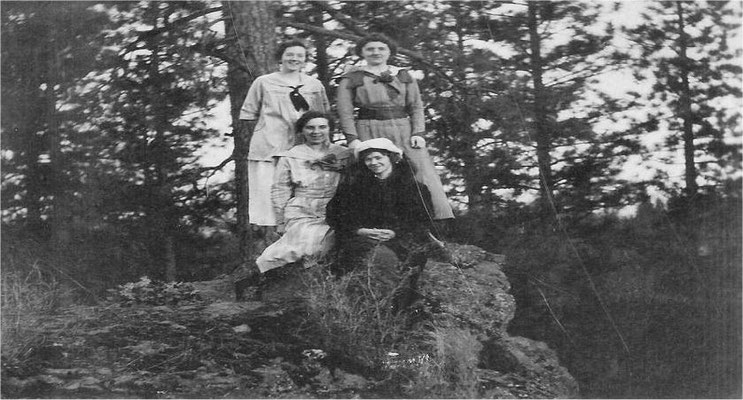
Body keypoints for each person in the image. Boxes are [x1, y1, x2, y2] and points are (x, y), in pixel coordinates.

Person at [336, 33, 454, 221]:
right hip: (368, 127)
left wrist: (418, 132)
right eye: (370, 49)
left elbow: (416, 106)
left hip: (403, 129)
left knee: (419, 170)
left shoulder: (403, 75)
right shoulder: (352, 77)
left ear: (390, 51)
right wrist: (352, 138)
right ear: (362, 52)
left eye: (381, 48)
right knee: (373, 169)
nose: (376, 52)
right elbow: (345, 111)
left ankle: (432, 220)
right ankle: (375, 220)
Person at [235, 112, 350, 300]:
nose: (316, 132)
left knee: (333, 240)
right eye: (310, 127)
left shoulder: (343, 154)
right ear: (302, 131)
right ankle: (253, 278)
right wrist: (281, 220)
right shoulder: (292, 156)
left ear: (330, 129)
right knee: (300, 244)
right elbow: (280, 189)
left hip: (335, 208)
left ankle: (325, 288)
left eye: (322, 127)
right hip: (303, 208)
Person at [325, 138, 435, 311]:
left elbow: (422, 219)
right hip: (362, 239)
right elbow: (334, 214)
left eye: (378, 157)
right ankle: (375, 310)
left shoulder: (414, 187)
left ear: (391, 157)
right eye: (368, 159)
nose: (373, 163)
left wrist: (395, 232)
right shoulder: (354, 186)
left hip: (402, 238)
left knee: (408, 264)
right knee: (376, 259)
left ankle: (396, 311)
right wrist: (360, 230)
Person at [239, 39, 330, 235]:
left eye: (299, 55)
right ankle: (272, 240)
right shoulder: (263, 82)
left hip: (304, 147)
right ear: (280, 57)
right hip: (270, 146)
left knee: (305, 194)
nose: (294, 59)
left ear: (305, 60)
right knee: (269, 197)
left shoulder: (314, 85)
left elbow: (322, 116)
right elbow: (248, 115)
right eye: (290, 54)